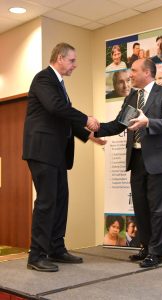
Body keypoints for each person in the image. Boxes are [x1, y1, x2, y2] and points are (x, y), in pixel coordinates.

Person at [22, 42, 102, 272]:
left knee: (60, 200)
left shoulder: (59, 83)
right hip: (41, 151)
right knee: (47, 201)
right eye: (72, 60)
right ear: (59, 58)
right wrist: (86, 118)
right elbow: (56, 108)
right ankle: (36, 255)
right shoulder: (43, 79)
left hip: (56, 153)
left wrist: (89, 136)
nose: (75, 65)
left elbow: (63, 118)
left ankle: (56, 248)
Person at [95, 58, 162, 268]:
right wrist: (94, 128)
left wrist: (148, 122)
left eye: (133, 70)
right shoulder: (133, 96)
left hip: (160, 161)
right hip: (136, 159)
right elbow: (118, 124)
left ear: (147, 72)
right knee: (141, 207)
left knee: (158, 209)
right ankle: (145, 247)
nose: (130, 74)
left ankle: (156, 252)